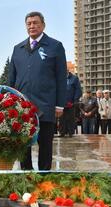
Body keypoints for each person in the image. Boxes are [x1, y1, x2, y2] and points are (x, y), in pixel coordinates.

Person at [8, 11, 67, 170]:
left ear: (43, 25)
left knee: (45, 146)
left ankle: (43, 179)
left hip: (46, 106)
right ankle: (26, 176)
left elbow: (61, 78)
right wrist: (8, 103)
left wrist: (60, 104)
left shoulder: (55, 46)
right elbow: (11, 79)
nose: (32, 26)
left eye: (35, 23)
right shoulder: (18, 49)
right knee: (23, 147)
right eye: (29, 23)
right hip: (22, 108)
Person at [59, 71, 82, 137]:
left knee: (70, 118)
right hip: (62, 103)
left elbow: (78, 90)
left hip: (71, 103)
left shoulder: (74, 78)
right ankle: (62, 132)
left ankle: (71, 132)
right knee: (61, 118)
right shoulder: (60, 78)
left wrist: (74, 100)